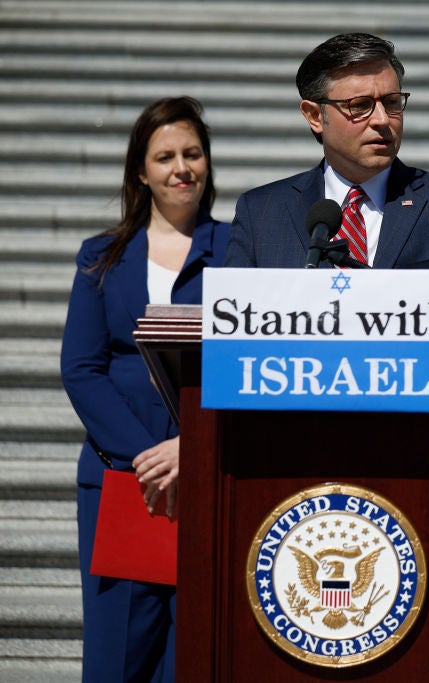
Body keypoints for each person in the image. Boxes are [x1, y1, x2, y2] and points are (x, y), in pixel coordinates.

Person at [224, 31, 429, 399]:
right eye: (360, 106)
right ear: (314, 116)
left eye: (392, 102)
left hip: (421, 440)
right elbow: (228, 336)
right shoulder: (262, 213)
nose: (383, 120)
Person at [61, 96, 230, 682]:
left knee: (196, 656)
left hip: (211, 478)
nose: (181, 167)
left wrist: (196, 445)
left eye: (192, 153)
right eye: (165, 157)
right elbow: (82, 368)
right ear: (141, 170)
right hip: (121, 480)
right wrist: (146, 456)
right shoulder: (101, 258)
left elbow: (256, 365)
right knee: (117, 659)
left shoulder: (240, 253)